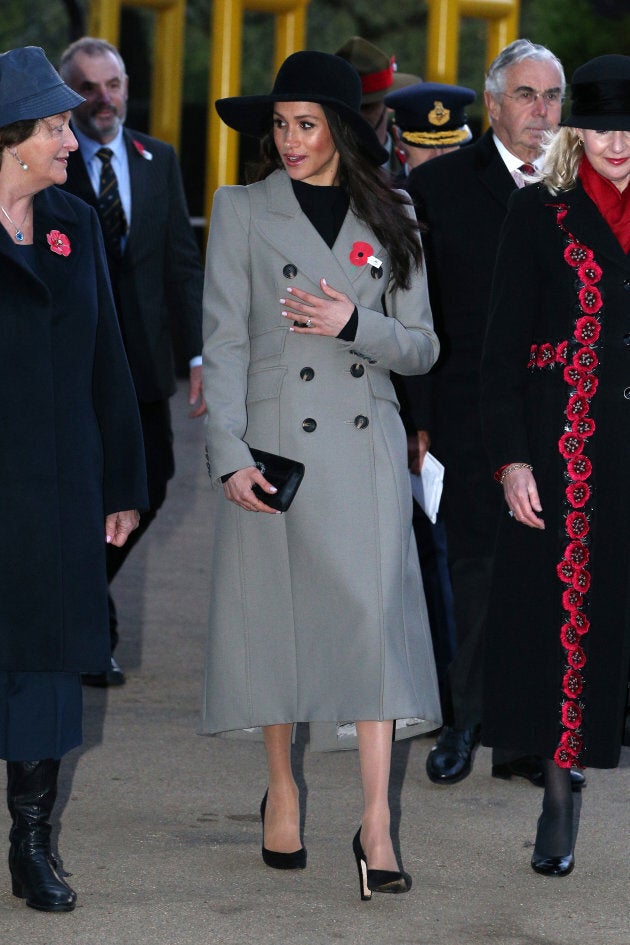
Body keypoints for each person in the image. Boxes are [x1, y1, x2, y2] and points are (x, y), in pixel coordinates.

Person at [201, 50, 441, 900]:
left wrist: (354, 322)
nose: (289, 139)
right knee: (277, 623)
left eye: (306, 123)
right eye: (280, 124)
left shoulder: (396, 212)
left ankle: (375, 820)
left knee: (374, 625)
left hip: (365, 444)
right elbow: (224, 341)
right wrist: (226, 452)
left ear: (340, 128)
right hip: (278, 446)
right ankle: (285, 786)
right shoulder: (240, 209)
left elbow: (421, 347)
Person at [0, 46, 147, 912]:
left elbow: (107, 360)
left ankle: (31, 843)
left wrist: (122, 481)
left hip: (58, 488)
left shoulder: (74, 221)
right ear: (12, 135)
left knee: (49, 673)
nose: (72, 136)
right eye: (55, 125)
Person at [480, 54, 630, 877]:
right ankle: (560, 793)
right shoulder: (540, 212)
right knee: (566, 621)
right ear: (574, 130)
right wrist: (510, 459)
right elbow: (499, 352)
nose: (617, 142)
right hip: (567, 444)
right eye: (603, 125)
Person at [58, 37, 204, 686]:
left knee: (152, 480)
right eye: (88, 87)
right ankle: (89, 627)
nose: (103, 98)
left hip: (144, 364)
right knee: (81, 492)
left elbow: (180, 262)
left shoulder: (157, 159)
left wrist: (200, 352)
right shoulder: (50, 159)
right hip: (73, 365)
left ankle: (79, 596)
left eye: (112, 84)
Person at [335, 36, 420, 178]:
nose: (355, 116)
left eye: (365, 107)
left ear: (389, 104)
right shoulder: (310, 166)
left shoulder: (413, 166)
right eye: (346, 107)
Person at [384, 80, 476, 180]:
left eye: (448, 143)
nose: (438, 155)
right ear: (398, 139)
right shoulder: (386, 194)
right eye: (425, 144)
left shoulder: (482, 192)